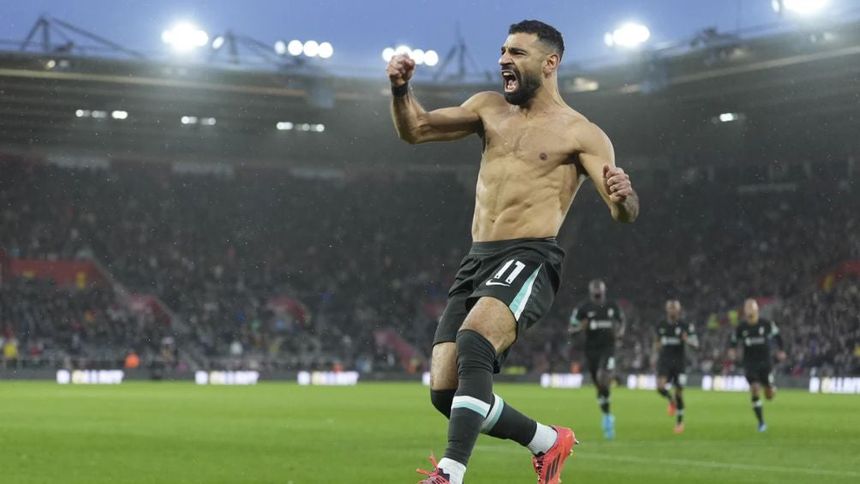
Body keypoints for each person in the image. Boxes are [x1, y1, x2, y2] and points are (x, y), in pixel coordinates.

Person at [388, 19, 639, 484]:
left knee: (475, 339)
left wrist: (624, 196)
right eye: (503, 51)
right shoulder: (488, 108)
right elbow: (415, 130)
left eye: (517, 53)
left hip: (530, 254)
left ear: (550, 63)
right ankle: (547, 441)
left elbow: (622, 213)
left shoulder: (581, 133)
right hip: (477, 257)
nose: (504, 59)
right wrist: (400, 90)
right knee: (445, 392)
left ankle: (449, 473)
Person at [569, 279, 625, 439]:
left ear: (604, 290)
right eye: (595, 290)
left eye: (599, 290)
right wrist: (581, 327)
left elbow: (622, 321)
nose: (597, 293)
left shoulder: (612, 306)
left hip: (608, 348)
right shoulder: (583, 308)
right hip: (591, 351)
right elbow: (571, 328)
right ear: (591, 292)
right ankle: (607, 415)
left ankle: (607, 415)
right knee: (599, 386)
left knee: (603, 378)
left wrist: (620, 333)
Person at [729, 298, 785, 432]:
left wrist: (781, 350)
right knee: (754, 388)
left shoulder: (766, 324)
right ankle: (761, 422)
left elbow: (778, 336)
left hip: (766, 363)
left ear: (756, 309)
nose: (749, 310)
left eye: (751, 307)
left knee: (769, 395)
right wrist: (732, 351)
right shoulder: (741, 328)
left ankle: (771, 388)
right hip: (750, 364)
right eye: (747, 307)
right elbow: (733, 342)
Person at [654, 299, 698, 434]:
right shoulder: (661, 325)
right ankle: (670, 400)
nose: (672, 310)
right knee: (660, 387)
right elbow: (656, 343)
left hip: (679, 363)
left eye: (675, 308)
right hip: (664, 362)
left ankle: (679, 423)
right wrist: (657, 347)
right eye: (670, 308)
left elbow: (696, 344)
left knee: (679, 393)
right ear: (667, 310)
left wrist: (687, 339)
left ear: (679, 310)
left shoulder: (685, 326)